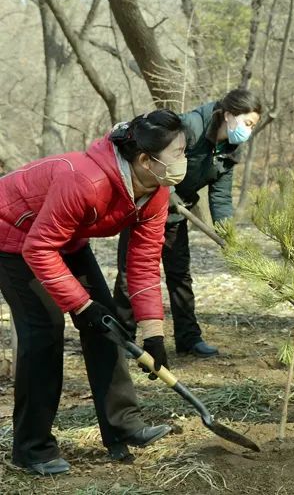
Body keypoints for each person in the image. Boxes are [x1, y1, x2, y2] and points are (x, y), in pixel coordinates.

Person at [0, 111, 184, 475]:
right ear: (146, 160)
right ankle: (32, 447)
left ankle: (123, 425)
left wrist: (153, 334)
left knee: (109, 324)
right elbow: (37, 249)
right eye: (178, 153)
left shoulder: (156, 192)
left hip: (62, 241)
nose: (184, 160)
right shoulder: (85, 179)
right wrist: (82, 304)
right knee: (44, 333)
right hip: (13, 239)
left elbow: (144, 263)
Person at [113, 90, 263, 358]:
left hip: (175, 215)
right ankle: (123, 340)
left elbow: (220, 196)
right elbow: (155, 156)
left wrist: (227, 233)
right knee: (130, 275)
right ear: (229, 115)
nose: (249, 131)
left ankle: (188, 339)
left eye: (253, 126)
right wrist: (165, 192)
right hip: (144, 208)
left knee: (180, 274)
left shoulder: (228, 149)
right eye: (248, 123)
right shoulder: (191, 126)